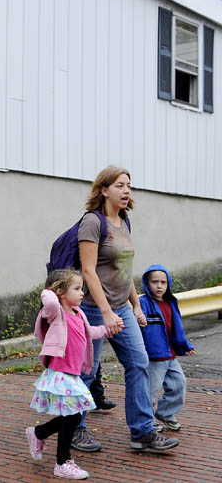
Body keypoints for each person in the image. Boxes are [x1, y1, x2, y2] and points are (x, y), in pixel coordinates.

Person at [72, 166, 178, 452]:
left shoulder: (124, 222)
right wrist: (106, 312)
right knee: (86, 372)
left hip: (122, 308)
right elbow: (88, 271)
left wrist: (136, 304)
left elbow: (124, 269)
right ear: (104, 190)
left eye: (129, 185)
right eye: (120, 185)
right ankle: (75, 429)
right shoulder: (92, 222)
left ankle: (142, 432)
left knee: (138, 362)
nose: (126, 190)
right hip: (95, 310)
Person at [27, 269, 109, 480]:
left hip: (72, 375)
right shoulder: (56, 313)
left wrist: (107, 329)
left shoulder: (78, 313)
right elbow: (50, 301)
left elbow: (90, 333)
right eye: (77, 288)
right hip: (60, 374)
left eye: (82, 288)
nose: (82, 293)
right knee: (73, 416)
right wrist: (50, 290)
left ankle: (38, 433)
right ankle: (62, 462)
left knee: (72, 415)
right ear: (60, 291)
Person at [139, 264, 195, 432]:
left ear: (168, 284)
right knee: (151, 391)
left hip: (170, 354)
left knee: (179, 384)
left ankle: (165, 413)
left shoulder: (171, 302)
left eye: (163, 282)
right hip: (154, 356)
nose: (159, 286)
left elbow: (176, 328)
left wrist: (185, 345)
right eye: (154, 282)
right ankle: (146, 422)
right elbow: (138, 324)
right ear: (147, 283)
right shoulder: (143, 303)